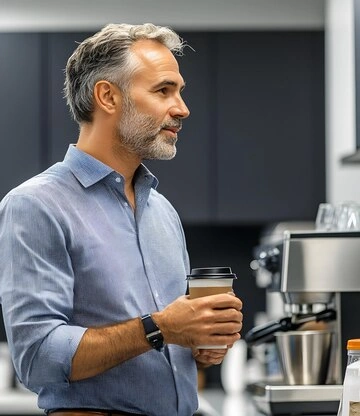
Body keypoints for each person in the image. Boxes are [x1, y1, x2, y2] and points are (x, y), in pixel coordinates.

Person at [0, 23, 243, 416]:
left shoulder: (162, 212)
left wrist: (201, 340)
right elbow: (37, 359)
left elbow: (167, 343)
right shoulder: (36, 205)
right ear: (108, 96)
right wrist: (161, 327)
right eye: (164, 90)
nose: (182, 108)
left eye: (179, 91)